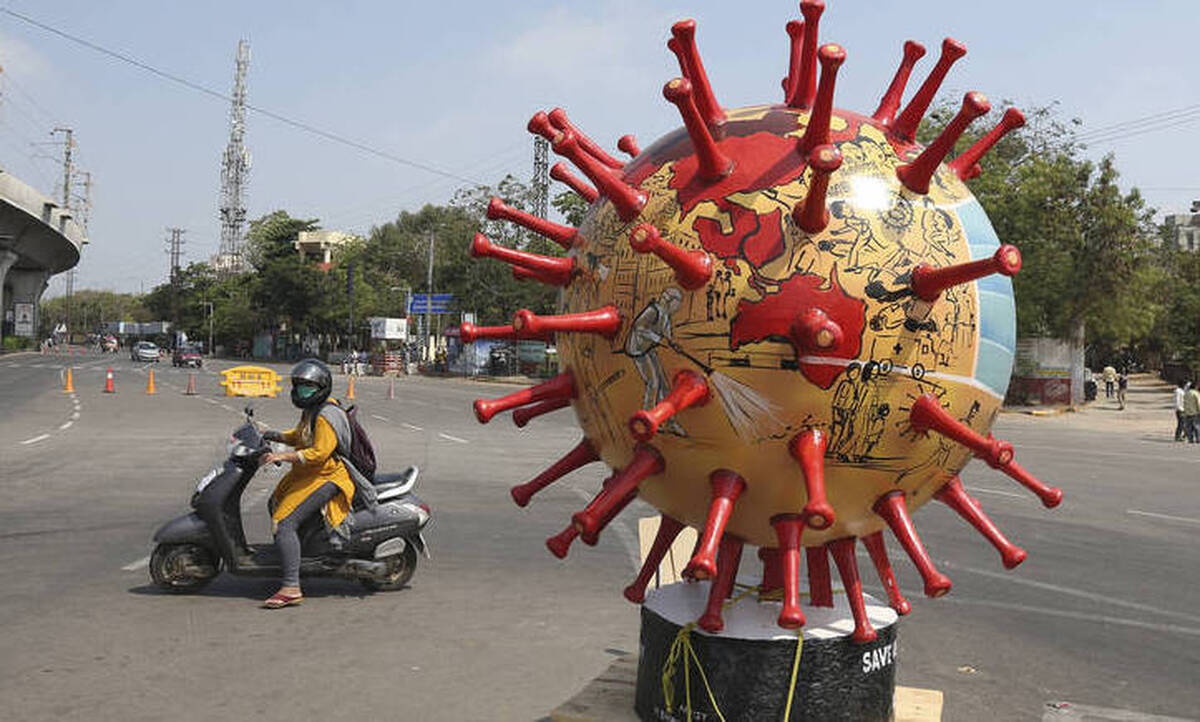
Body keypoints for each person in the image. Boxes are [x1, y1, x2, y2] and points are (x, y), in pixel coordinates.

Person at [258, 359, 356, 608]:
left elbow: (319, 452)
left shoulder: (326, 414)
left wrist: (282, 455)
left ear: (322, 387)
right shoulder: (311, 411)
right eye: (299, 386)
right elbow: (300, 436)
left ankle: (291, 586)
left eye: (308, 386)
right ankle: (296, 554)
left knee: (284, 522)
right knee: (276, 501)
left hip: (326, 476)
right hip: (309, 473)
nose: (302, 390)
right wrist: (274, 435)